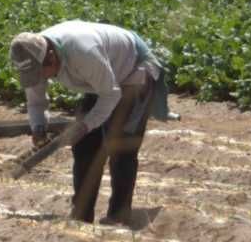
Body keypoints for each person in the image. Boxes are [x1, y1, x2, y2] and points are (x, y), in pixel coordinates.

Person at [10, 21, 169, 226]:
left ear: (51, 57)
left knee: (120, 143)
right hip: (102, 80)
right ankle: (82, 214)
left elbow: (111, 95)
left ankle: (118, 215)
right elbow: (35, 101)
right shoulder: (32, 56)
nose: (39, 78)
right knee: (84, 147)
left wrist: (85, 125)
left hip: (133, 70)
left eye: (41, 72)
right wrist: (38, 128)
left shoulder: (84, 52)